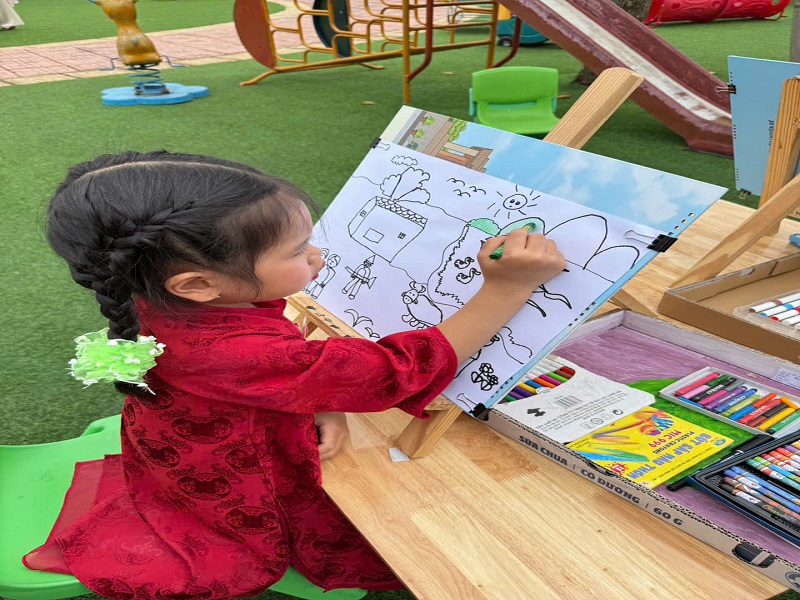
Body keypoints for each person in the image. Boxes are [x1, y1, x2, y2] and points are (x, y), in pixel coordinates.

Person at [24, 150, 565, 599]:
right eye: (298, 251)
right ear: (198, 284)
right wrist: (506, 289)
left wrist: (320, 400)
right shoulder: (234, 353)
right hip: (230, 474)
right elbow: (394, 371)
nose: (319, 256)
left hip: (179, 441)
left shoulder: (151, 293)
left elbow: (288, 370)